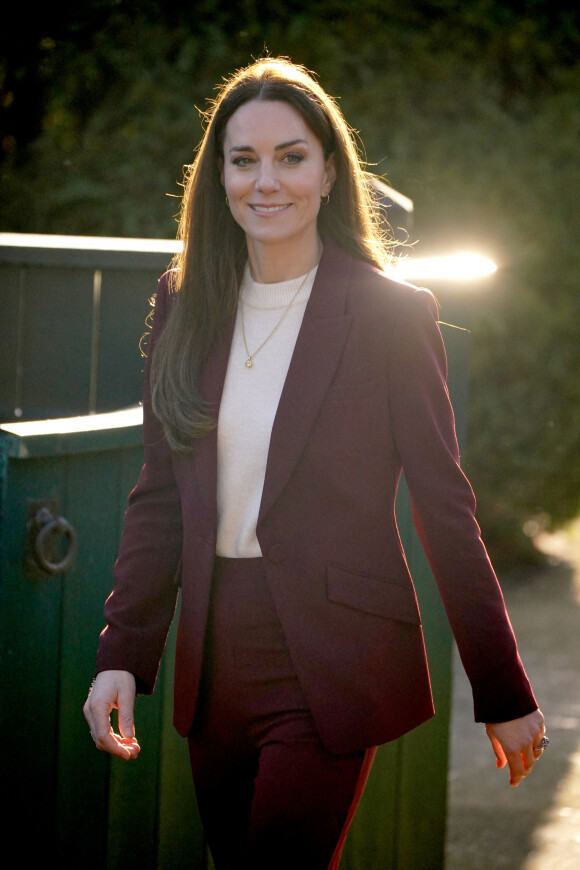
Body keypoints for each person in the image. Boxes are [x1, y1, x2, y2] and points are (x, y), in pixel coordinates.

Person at [84, 57, 546, 869]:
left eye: (291, 157)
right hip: (214, 660)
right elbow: (159, 495)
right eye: (243, 159)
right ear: (216, 175)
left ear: (330, 171)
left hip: (331, 662)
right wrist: (122, 654)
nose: (266, 181)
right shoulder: (184, 302)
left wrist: (502, 693)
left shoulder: (392, 315)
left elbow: (446, 508)